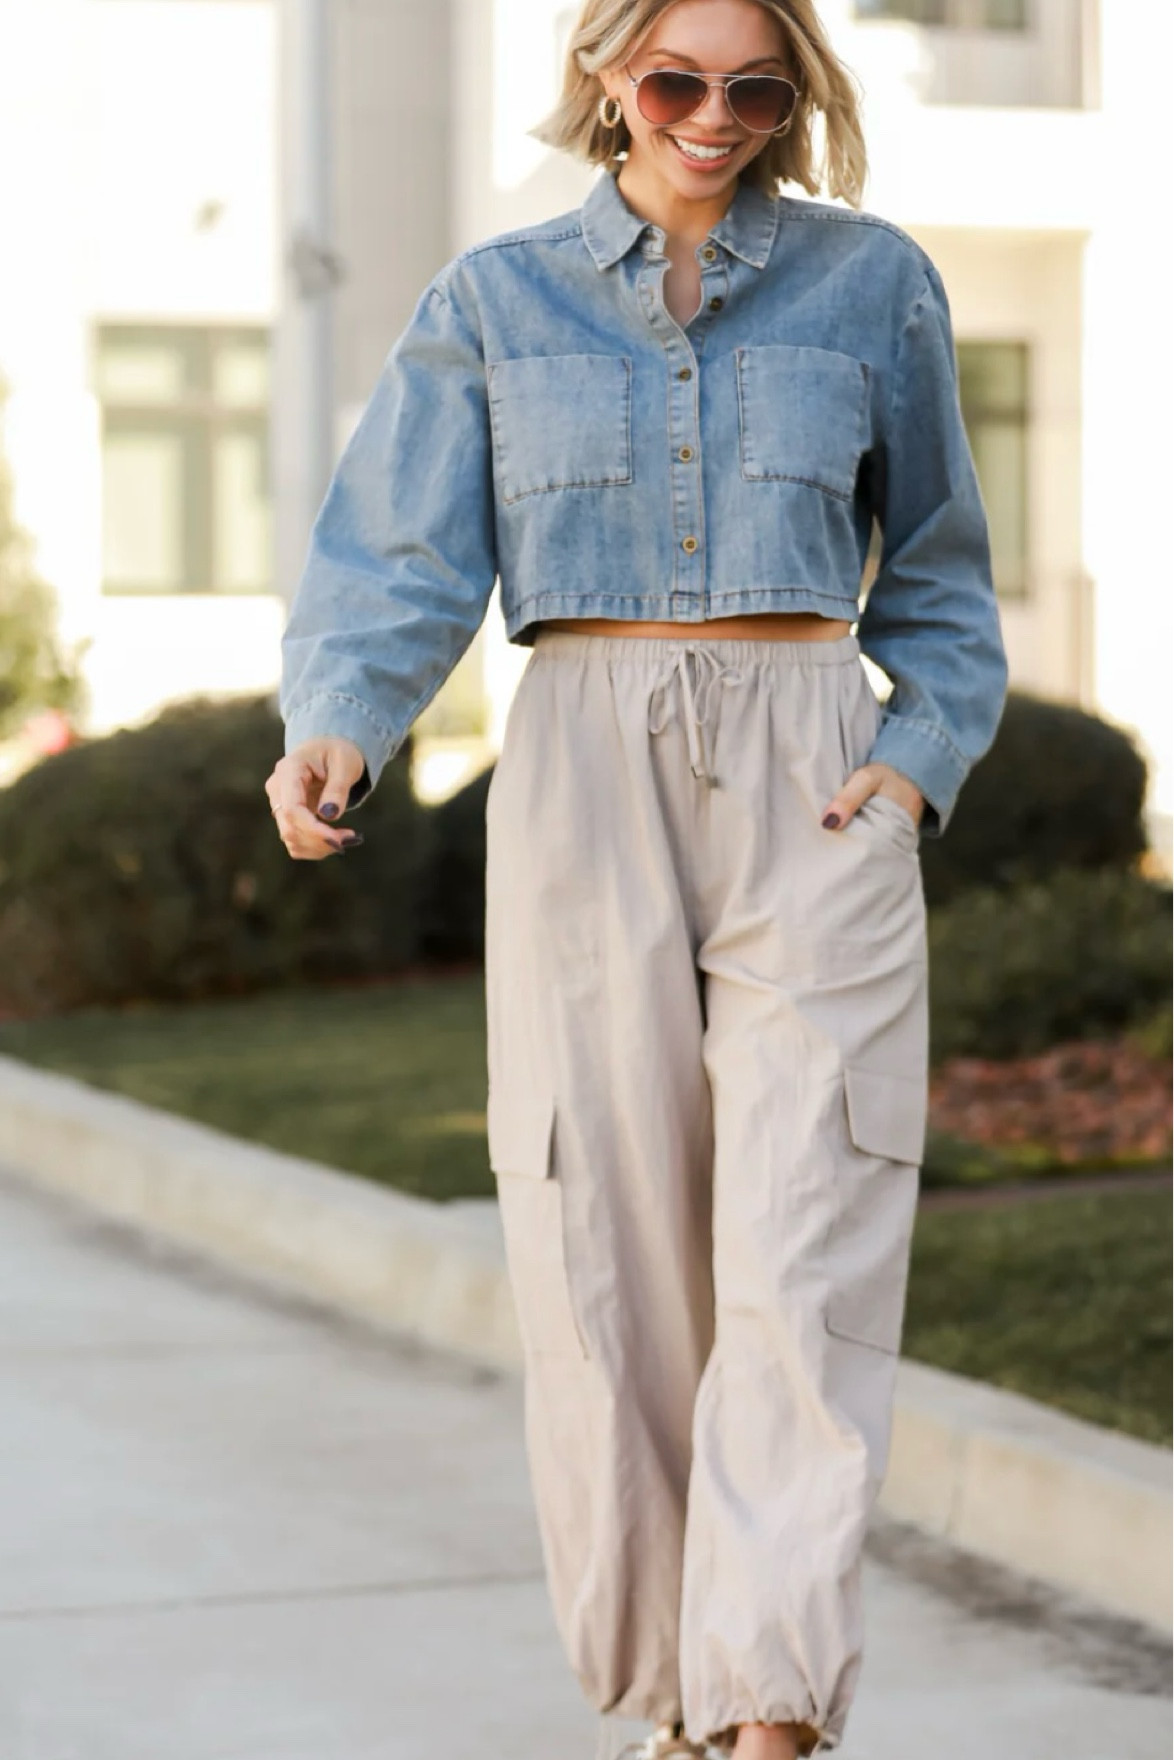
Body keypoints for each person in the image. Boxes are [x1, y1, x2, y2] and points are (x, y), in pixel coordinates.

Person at [267, 0, 1008, 1753]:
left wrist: (912, 767)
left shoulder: (870, 281)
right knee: (604, 1253)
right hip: (584, 756)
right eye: (677, 79)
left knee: (804, 1236)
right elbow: (400, 553)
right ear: (607, 76)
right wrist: (339, 725)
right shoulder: (490, 301)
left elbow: (945, 576)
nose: (714, 116)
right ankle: (661, 1703)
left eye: (755, 87)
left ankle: (767, 1708)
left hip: (812, 767)